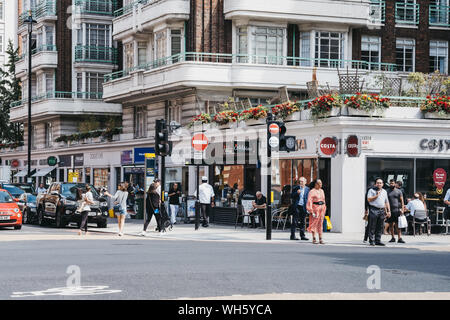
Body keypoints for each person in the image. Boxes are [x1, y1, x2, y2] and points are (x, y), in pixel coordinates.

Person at [367, 178, 391, 246]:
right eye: (378, 183)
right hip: (374, 209)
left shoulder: (384, 191)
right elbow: (369, 199)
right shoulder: (371, 190)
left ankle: (378, 240)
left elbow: (386, 202)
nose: (379, 184)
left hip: (382, 210)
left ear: (383, 184)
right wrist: (377, 195)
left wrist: (389, 211)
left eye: (380, 183)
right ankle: (371, 240)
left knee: (380, 226)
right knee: (372, 226)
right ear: (375, 184)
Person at [306, 179, 326, 244]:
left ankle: (320, 238)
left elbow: (323, 200)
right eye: (319, 183)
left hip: (321, 209)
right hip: (315, 209)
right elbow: (309, 201)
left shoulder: (322, 191)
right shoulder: (312, 191)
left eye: (321, 183)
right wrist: (311, 211)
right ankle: (314, 238)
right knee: (314, 223)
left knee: (320, 223)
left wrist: (324, 208)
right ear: (316, 184)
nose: (321, 185)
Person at [386, 179, 405, 243]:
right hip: (390, 210)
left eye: (393, 183)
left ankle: (400, 238)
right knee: (391, 225)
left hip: (397, 210)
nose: (392, 184)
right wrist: (386, 210)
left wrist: (402, 209)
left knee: (398, 225)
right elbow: (385, 201)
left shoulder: (399, 191)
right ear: (389, 184)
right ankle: (392, 237)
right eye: (390, 183)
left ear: (395, 184)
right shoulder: (387, 191)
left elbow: (402, 201)